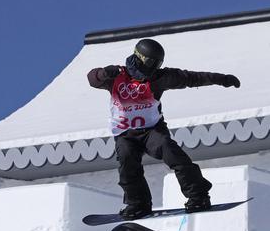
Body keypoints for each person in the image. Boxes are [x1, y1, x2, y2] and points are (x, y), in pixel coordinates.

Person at [87, 38, 240, 219]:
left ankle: (198, 196)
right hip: (125, 135)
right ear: (139, 58)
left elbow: (192, 78)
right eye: (151, 62)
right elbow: (92, 79)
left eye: (158, 63)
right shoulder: (116, 76)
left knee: (172, 152)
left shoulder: (159, 78)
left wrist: (222, 79)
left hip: (151, 131)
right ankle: (138, 204)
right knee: (127, 164)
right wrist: (103, 74)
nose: (154, 67)